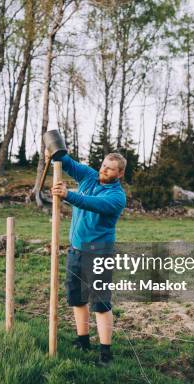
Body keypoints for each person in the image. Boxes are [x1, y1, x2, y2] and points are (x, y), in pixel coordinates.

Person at [48, 150, 127, 366]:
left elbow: (92, 203)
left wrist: (68, 195)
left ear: (119, 174)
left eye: (109, 168)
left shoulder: (117, 197)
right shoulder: (90, 176)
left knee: (100, 303)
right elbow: (68, 163)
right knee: (76, 297)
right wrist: (54, 150)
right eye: (103, 165)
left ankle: (105, 353)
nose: (103, 170)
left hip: (99, 253)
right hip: (76, 250)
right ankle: (83, 341)